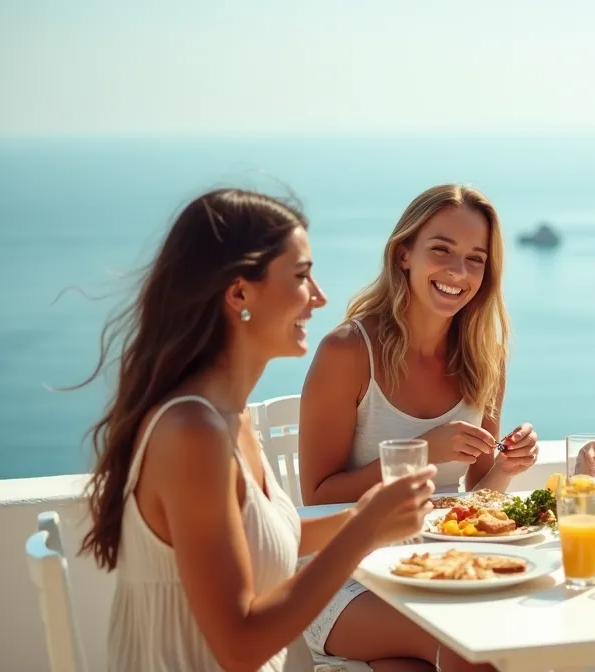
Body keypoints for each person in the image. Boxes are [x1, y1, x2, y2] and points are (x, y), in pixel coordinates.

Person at [74, 188, 439, 672]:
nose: (320, 297)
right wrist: (365, 530)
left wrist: (369, 520)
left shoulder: (231, 416)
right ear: (239, 293)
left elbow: (269, 539)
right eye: (303, 276)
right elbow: (240, 647)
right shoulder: (192, 432)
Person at [297, 184, 537, 670]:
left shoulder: (485, 358)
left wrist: (507, 469)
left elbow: (477, 498)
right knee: (470, 652)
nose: (458, 272)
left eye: (476, 258)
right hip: (342, 578)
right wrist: (420, 452)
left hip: (439, 569)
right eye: (442, 251)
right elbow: (319, 497)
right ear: (404, 254)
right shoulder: (348, 351)